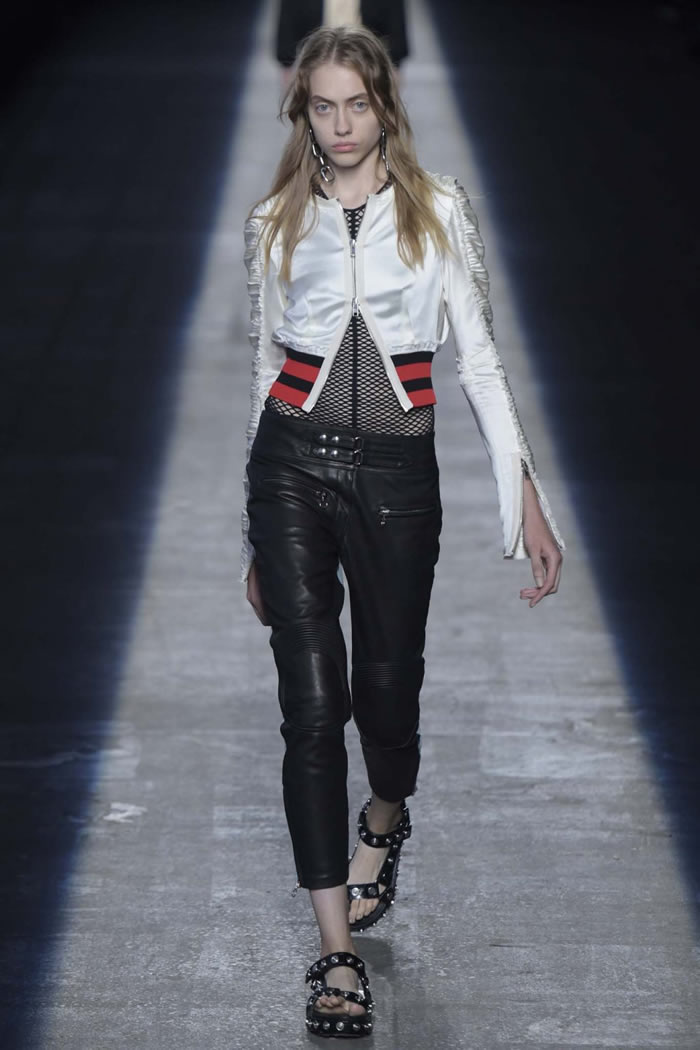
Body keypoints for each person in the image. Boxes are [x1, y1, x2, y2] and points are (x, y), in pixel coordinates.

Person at [240, 24, 564, 1039]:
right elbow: (265, 364)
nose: (340, 125)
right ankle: (335, 951)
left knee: (386, 692)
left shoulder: (437, 209)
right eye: (322, 107)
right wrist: (252, 540)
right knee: (310, 707)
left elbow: (480, 361)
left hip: (396, 480)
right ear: (302, 113)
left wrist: (524, 493)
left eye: (357, 104)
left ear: (385, 106)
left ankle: (386, 815)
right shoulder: (275, 219)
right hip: (289, 468)